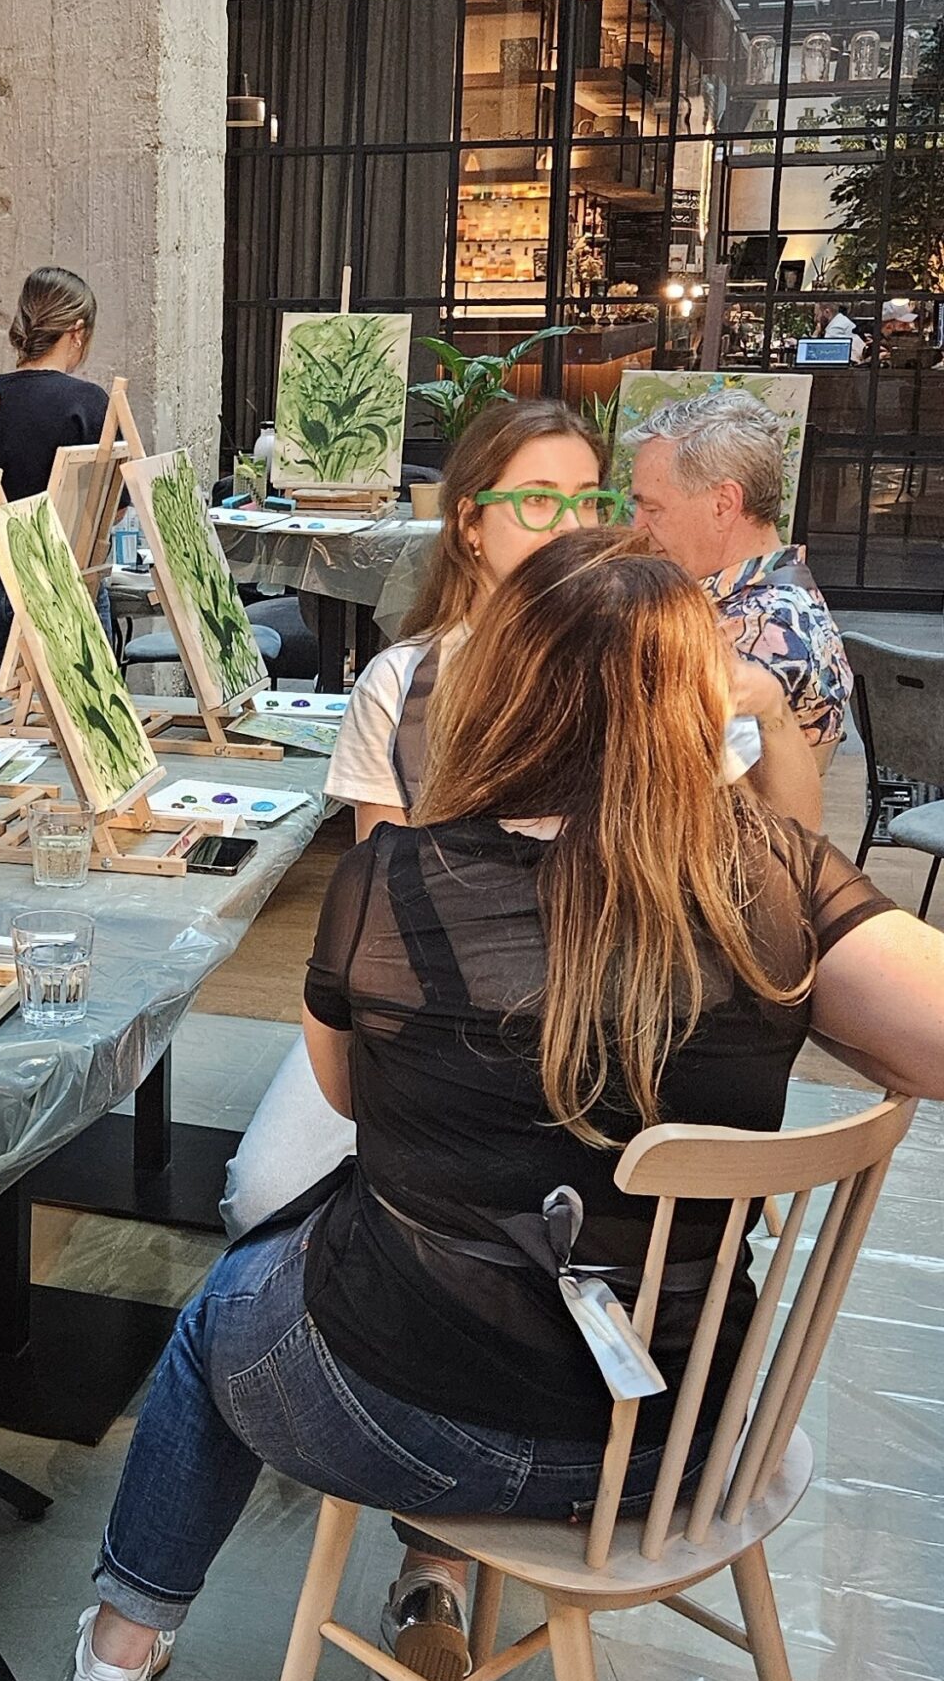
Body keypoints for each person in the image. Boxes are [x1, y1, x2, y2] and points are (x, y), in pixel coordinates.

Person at [69, 529, 944, 1681]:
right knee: (428, 1275)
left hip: (402, 1422)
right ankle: (431, 1585)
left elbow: (347, 1096)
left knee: (238, 1305)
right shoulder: (776, 884)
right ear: (694, 700)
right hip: (684, 1447)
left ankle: (124, 1643)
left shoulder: (393, 884)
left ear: (502, 683)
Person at [218, 397, 822, 1257]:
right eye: (538, 500)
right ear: (470, 524)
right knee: (264, 1193)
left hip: (634, 998)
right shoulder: (406, 681)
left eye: (590, 500)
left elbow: (789, 859)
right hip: (443, 1008)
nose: (571, 526)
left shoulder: (653, 661)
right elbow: (379, 915)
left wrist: (768, 706)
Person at [627, 389, 851, 765]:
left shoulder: (759, 631)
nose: (637, 526)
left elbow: (684, 777)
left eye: (653, 508)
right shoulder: (777, 596)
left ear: (724, 504)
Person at [0, 266, 108, 701]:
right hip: (67, 580)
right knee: (85, 711)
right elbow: (110, 511)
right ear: (77, 332)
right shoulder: (89, 403)